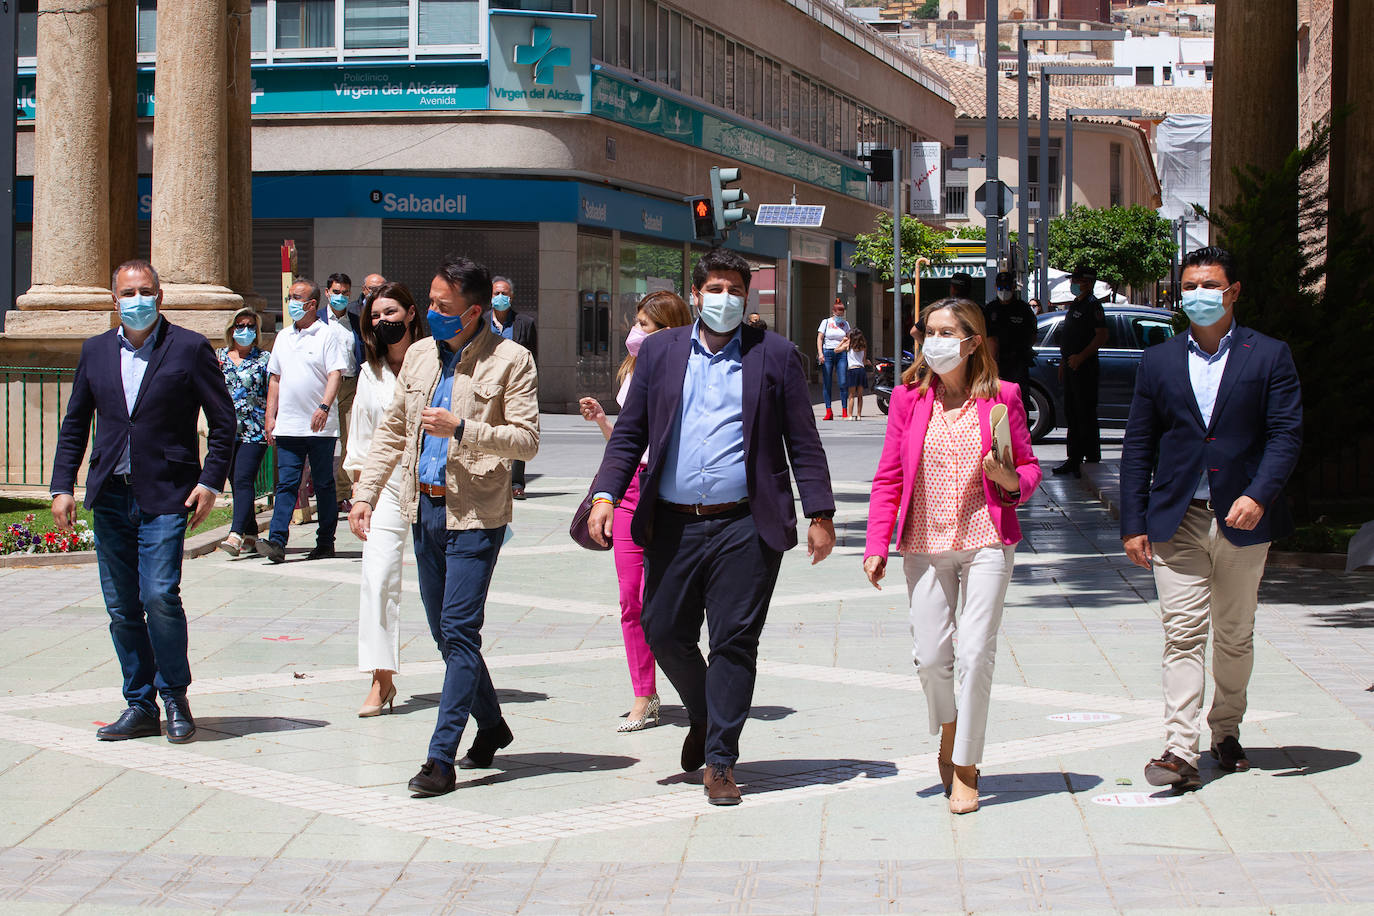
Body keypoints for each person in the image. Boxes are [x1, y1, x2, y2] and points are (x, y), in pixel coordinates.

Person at [588, 248, 836, 806]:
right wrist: (605, 494)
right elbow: (630, 433)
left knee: (733, 642)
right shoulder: (660, 352)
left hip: (746, 525)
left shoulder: (774, 355)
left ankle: (721, 759)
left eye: (735, 290)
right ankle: (703, 713)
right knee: (662, 628)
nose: (724, 299)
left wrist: (820, 513)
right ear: (696, 294)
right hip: (673, 522)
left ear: (746, 297)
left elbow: (802, 439)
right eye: (714, 289)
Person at [349, 256, 539, 797]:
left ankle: (440, 757)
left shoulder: (512, 360)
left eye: (441, 307)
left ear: (473, 311)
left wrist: (464, 428)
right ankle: (495, 725)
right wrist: (364, 494)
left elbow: (526, 440)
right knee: (444, 634)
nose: (429, 313)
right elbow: (392, 431)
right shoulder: (419, 358)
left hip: (476, 514)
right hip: (424, 509)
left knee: (458, 631)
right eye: (430, 303)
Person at [1119, 247, 1302, 790]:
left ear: (1234, 291)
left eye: (1210, 285)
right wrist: (1134, 521)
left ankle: (1226, 729)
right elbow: (1138, 445)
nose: (1198, 295)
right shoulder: (1159, 360)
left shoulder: (1268, 355)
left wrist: (1261, 494)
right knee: (1181, 633)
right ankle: (1179, 748)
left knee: (1234, 634)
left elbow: (1285, 435)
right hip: (1178, 519)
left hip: (1244, 519)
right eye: (1190, 285)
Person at [862, 297, 1042, 815]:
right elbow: (890, 477)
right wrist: (877, 544)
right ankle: (947, 729)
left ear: (972, 341)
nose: (933, 342)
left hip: (986, 538)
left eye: (946, 333)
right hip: (923, 542)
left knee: (974, 654)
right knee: (932, 659)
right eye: (928, 333)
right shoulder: (907, 399)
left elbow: (1028, 470)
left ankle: (966, 767)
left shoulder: (1003, 397)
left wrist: (1010, 479)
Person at [49, 259, 236, 744]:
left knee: (159, 596)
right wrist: (61, 486)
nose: (137, 300)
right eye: (128, 293)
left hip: (167, 494)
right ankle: (139, 704)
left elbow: (224, 423)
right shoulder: (93, 352)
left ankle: (174, 695)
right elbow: (74, 426)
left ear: (160, 295)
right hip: (110, 494)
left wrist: (210, 482)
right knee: (122, 607)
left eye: (145, 290)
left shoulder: (190, 348)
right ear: (114, 300)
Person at [579, 291, 694, 733]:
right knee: (632, 599)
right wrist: (605, 423)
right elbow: (629, 442)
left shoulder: (689, 371)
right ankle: (644, 694)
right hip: (629, 491)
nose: (636, 333)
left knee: (671, 602)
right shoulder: (630, 373)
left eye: (646, 325)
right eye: (638, 322)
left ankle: (692, 683)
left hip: (669, 492)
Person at [347, 282, 429, 717]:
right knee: (377, 578)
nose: (382, 322)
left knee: (446, 588)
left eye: (390, 312)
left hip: (437, 482)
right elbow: (361, 439)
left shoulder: (437, 360)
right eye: (375, 316)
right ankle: (381, 678)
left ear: (412, 314)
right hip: (386, 486)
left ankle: (466, 675)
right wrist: (362, 496)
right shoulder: (369, 374)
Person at [258, 279, 351, 563]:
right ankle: (276, 542)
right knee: (286, 484)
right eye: (289, 297)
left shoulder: (327, 335)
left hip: (320, 426)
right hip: (288, 425)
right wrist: (270, 416)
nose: (291, 303)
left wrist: (324, 407)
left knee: (323, 484)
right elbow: (275, 378)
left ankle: (325, 541)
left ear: (312, 304)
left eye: (297, 298)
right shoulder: (283, 337)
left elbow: (336, 373)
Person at [216, 308, 272, 556]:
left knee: (243, 479)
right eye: (240, 325)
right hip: (226, 431)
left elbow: (273, 391)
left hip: (254, 429)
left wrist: (272, 420)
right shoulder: (219, 358)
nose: (245, 330)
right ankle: (251, 532)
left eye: (251, 326)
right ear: (231, 329)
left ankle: (236, 534)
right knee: (234, 481)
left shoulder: (265, 359)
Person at [1052, 265, 1108, 477]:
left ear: (1088, 282)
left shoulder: (1092, 306)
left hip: (1083, 367)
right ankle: (1076, 457)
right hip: (1071, 365)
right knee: (1073, 412)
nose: (1073, 283)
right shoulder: (1077, 303)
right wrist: (1064, 361)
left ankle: (1081, 458)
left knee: (1082, 413)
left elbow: (1101, 335)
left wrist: (1080, 357)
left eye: (1077, 280)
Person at [488, 276, 538, 500]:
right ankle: (489, 480)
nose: (501, 297)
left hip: (516, 385)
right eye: (497, 293)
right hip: (487, 385)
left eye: (505, 293)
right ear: (490, 296)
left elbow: (532, 357)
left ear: (512, 296)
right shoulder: (480, 322)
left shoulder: (524, 323)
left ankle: (516, 483)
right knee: (489, 431)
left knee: (518, 430)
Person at [324, 272, 361, 509]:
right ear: (327, 292)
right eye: (336, 292)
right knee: (322, 439)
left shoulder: (356, 321)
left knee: (349, 439)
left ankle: (341, 493)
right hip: (324, 386)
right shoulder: (317, 320)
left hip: (350, 384)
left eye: (345, 293)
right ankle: (320, 489)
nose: (340, 297)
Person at [983, 271, 1038, 411]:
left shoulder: (1023, 309)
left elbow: (1033, 335)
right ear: (996, 287)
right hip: (995, 364)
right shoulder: (990, 310)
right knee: (996, 402)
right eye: (1001, 288)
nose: (1004, 291)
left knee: (1018, 401)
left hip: (1017, 363)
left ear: (1013, 287)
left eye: (1007, 287)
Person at [816, 297, 851, 420]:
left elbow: (849, 338)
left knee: (842, 381)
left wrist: (844, 347)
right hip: (828, 352)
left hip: (841, 354)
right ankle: (828, 410)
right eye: (838, 314)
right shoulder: (826, 322)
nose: (840, 316)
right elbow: (820, 338)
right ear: (833, 312)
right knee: (827, 382)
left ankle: (845, 410)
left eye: (842, 314)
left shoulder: (845, 324)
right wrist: (820, 353)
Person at [845, 328, 871, 421]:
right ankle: (859, 415)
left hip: (852, 370)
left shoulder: (849, 346)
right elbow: (863, 361)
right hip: (861, 370)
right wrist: (867, 362)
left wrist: (843, 341)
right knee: (860, 395)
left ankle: (850, 415)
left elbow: (836, 350)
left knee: (851, 395)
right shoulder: (863, 347)